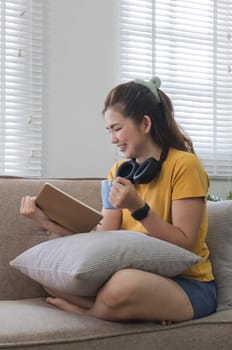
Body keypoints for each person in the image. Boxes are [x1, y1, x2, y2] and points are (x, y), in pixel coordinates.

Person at [20, 77, 216, 324]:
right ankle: (125, 308)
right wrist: (45, 220)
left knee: (123, 285)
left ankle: (90, 312)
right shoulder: (119, 172)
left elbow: (185, 243)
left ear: (145, 123)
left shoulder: (185, 165)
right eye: (109, 130)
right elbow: (103, 238)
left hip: (187, 284)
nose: (112, 139)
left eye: (117, 128)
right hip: (135, 276)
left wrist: (138, 208)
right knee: (52, 276)